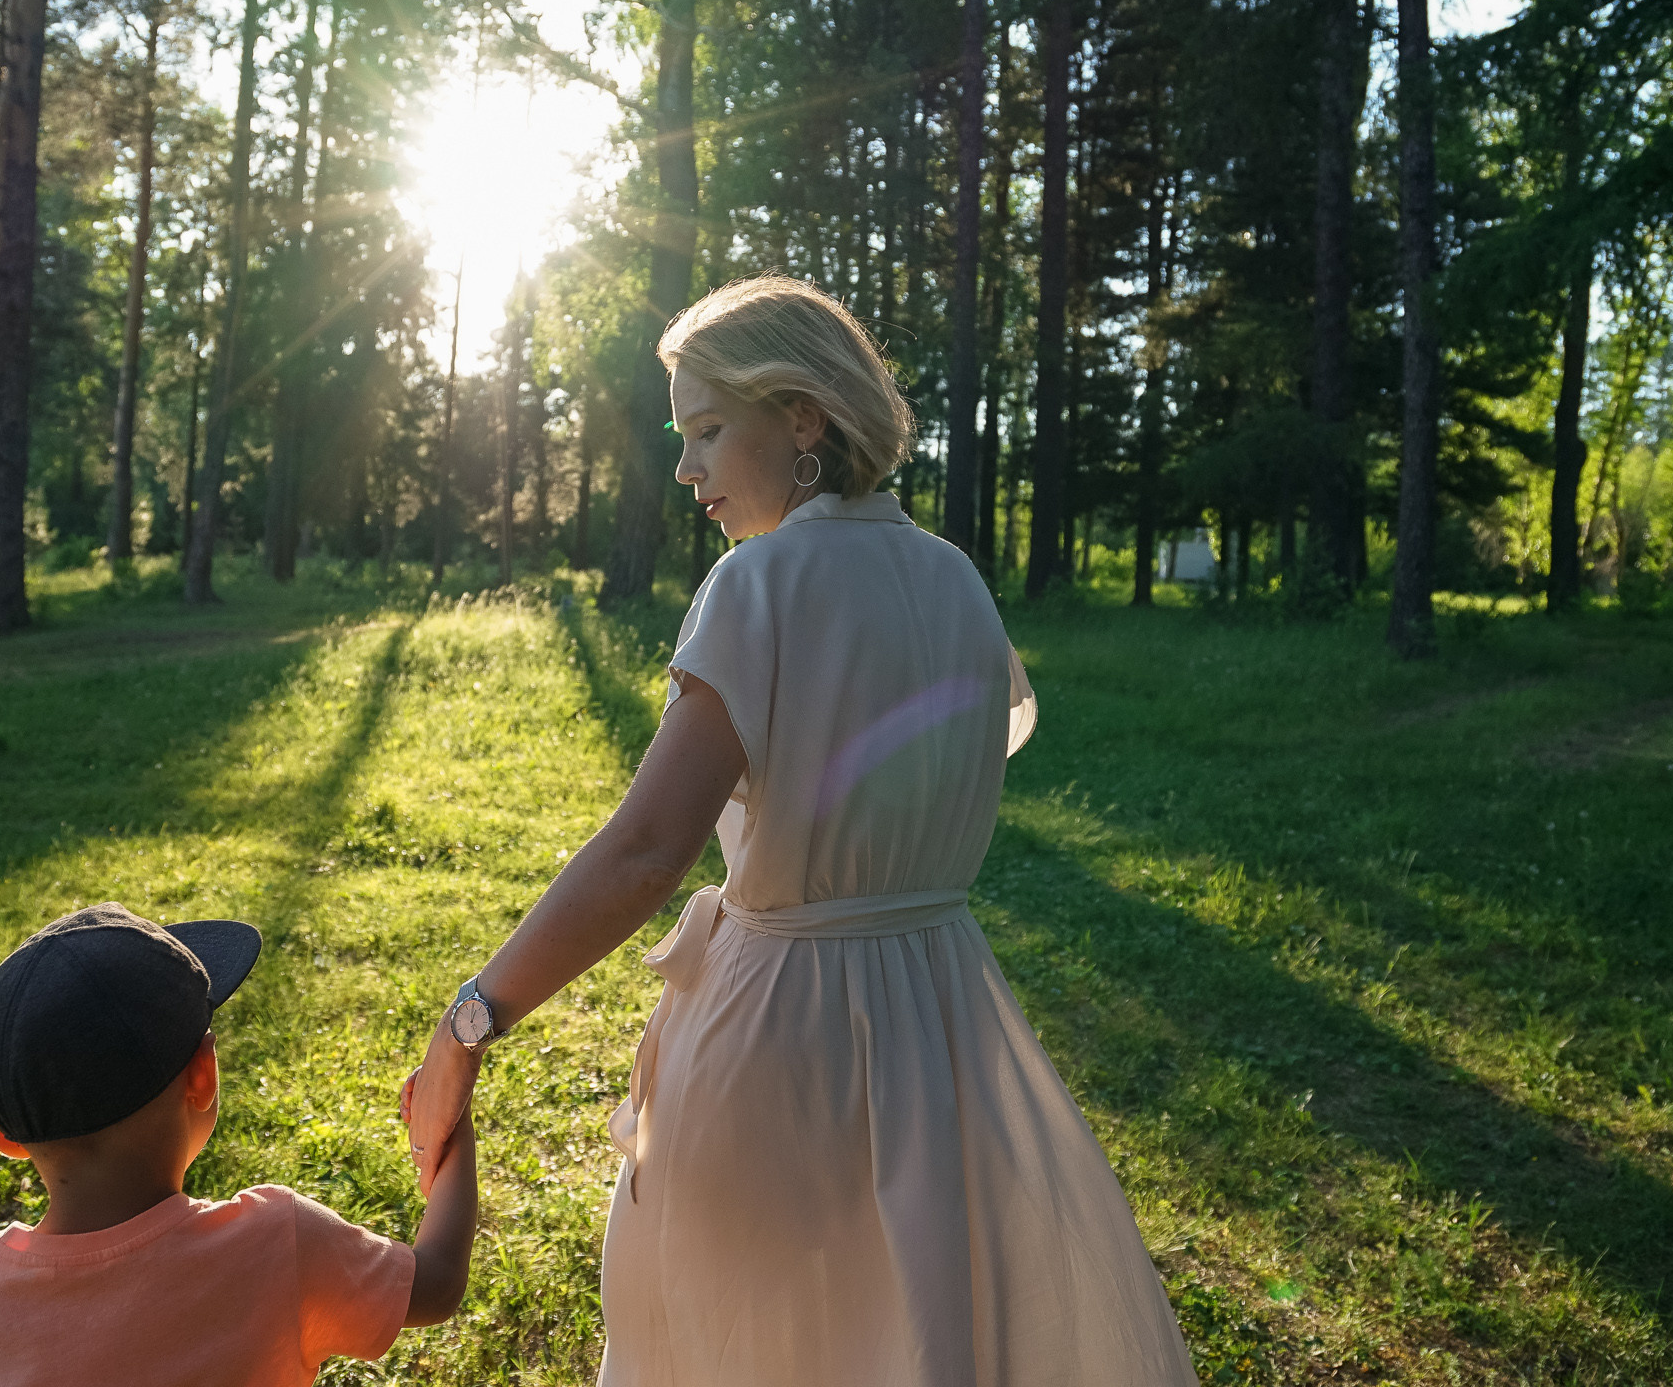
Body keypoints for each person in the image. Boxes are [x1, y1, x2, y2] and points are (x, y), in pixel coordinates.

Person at [401, 277, 1196, 1384]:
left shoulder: (758, 584)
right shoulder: (959, 581)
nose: (689, 470)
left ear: (804, 418)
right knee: (905, 1331)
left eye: (709, 431)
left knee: (751, 1345)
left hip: (785, 1033)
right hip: (943, 1019)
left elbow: (643, 853)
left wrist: (467, 1025)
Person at [0, 902, 476, 1387]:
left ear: (0, 1132)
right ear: (203, 1074)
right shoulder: (278, 1246)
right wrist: (454, 1123)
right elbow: (438, 1283)